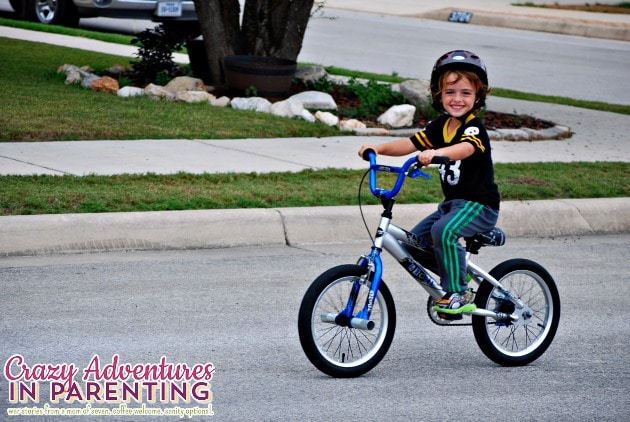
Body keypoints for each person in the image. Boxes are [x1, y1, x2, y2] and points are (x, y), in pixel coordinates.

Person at [358, 50, 501, 319]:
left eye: (465, 93)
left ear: (478, 96)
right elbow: (409, 144)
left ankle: (459, 292)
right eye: (450, 92)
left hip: (479, 205)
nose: (457, 99)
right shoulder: (440, 126)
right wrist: (377, 148)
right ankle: (454, 276)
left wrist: (438, 154)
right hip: (451, 206)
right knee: (414, 245)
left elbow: (466, 149)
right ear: (438, 94)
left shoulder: (474, 128)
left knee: (442, 230)